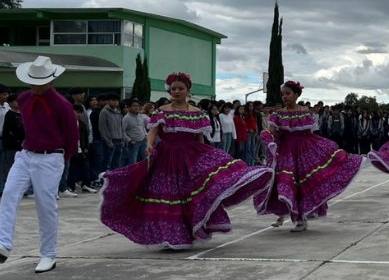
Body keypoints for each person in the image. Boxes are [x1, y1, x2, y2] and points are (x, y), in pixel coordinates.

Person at [100, 72, 273, 250]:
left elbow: (199, 138)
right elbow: (153, 132)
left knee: (190, 193)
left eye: (180, 88)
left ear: (188, 90)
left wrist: (203, 158)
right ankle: (167, 236)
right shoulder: (162, 111)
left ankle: (187, 232)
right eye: (173, 88)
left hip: (190, 156)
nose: (176, 91)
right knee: (168, 194)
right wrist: (149, 145)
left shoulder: (197, 113)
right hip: (167, 157)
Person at [0, 56, 79, 273]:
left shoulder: (62, 105)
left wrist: (58, 160)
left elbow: (72, 137)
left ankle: (48, 254)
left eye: (40, 81)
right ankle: (3, 244)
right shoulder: (24, 98)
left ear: (51, 80)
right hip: (25, 154)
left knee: (45, 206)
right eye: (32, 81)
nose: (35, 85)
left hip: (50, 157)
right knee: (8, 193)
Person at [254, 81, 364, 231]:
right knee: (285, 180)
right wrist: (267, 136)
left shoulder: (305, 112)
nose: (284, 97)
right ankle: (289, 213)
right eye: (283, 94)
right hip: (287, 151)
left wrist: (316, 151)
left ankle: (301, 218)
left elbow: (310, 133)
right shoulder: (277, 114)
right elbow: (273, 131)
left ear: (296, 95)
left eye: (288, 93)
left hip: (304, 150)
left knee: (303, 183)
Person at [122, 99, 149, 165]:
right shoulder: (126, 118)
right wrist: (129, 140)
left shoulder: (140, 116)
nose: (137, 107)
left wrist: (146, 135)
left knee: (145, 160)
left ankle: (144, 174)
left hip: (143, 141)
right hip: (134, 143)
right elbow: (122, 131)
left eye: (138, 106)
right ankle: (132, 175)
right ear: (129, 107)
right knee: (133, 162)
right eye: (134, 106)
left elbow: (142, 127)